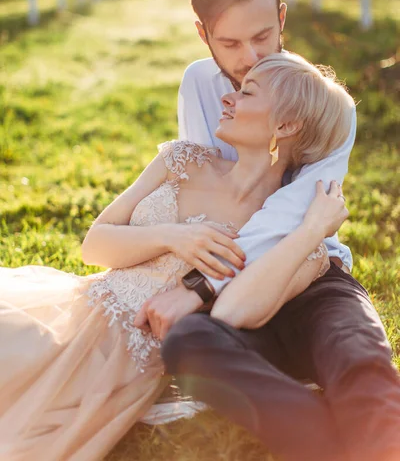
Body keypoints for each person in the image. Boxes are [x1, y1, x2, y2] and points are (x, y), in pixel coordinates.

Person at [0, 53, 351, 461]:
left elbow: (246, 310)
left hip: (125, 361)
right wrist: (173, 236)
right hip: (75, 309)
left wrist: (310, 234)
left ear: (286, 126)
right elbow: (93, 246)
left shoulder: (281, 232)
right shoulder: (181, 161)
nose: (228, 98)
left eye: (247, 92)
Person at [143, 0, 400, 461]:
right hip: (236, 284)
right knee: (190, 345)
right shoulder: (199, 84)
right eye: (231, 43)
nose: (250, 57)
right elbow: (205, 189)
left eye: (262, 36)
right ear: (204, 35)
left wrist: (198, 286)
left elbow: (294, 214)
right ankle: (324, 445)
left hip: (309, 274)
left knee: (358, 357)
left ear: (282, 18)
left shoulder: (326, 103)